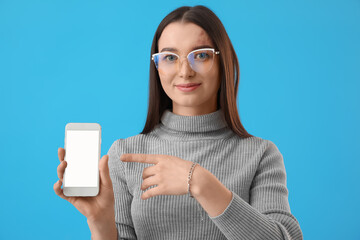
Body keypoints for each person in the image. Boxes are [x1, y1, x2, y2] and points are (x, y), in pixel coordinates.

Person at [54, 5, 303, 240]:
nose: (185, 71)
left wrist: (199, 182)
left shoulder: (261, 155)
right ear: (157, 67)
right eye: (170, 57)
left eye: (201, 55)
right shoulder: (125, 154)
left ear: (222, 62)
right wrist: (100, 223)